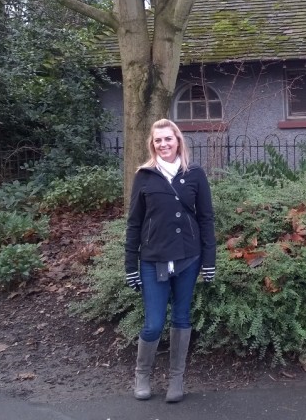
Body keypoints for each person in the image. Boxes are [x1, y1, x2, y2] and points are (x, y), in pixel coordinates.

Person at [124, 119, 216, 403]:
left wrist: (209, 260)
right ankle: (142, 375)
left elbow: (206, 219)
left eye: (168, 139)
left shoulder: (195, 174)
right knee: (153, 324)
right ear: (152, 144)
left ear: (178, 140)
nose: (163, 144)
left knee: (181, 318)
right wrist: (131, 266)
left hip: (189, 259)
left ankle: (176, 378)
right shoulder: (144, 176)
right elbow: (134, 223)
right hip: (153, 260)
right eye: (158, 140)